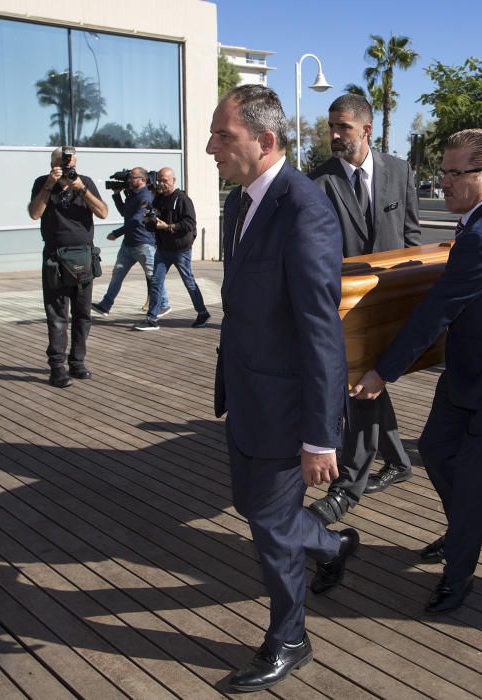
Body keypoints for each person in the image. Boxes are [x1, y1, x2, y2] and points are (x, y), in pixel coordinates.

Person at [351, 128, 482, 613]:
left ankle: (459, 575)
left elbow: (436, 310)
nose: (442, 182)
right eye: (442, 171)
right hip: (471, 367)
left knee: (476, 481)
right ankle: (466, 526)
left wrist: (382, 372)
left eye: (453, 173)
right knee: (437, 452)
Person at [207, 84, 355, 693]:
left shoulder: (305, 209)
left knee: (269, 525)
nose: (211, 146)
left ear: (265, 142)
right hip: (245, 394)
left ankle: (290, 637)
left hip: (284, 407)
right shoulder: (241, 203)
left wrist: (320, 436)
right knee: (255, 509)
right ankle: (333, 542)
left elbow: (322, 332)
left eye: (224, 136)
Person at [307, 93, 420, 524]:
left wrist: (414, 298)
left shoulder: (400, 171)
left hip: (391, 302)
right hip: (345, 309)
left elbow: (411, 238)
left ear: (366, 130)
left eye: (343, 128)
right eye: (331, 127)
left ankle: (395, 464)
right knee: (361, 387)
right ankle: (349, 487)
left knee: (368, 385)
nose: (334, 135)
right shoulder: (317, 180)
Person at [27, 146, 108, 388]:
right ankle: (57, 367)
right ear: (52, 163)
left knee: (83, 314)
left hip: (83, 257)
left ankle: (78, 361)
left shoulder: (85, 182)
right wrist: (50, 185)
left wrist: (81, 188)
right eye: (62, 164)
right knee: (57, 315)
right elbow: (34, 213)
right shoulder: (43, 183)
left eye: (71, 164)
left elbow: (103, 212)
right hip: (55, 258)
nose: (67, 168)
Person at [134, 167, 210, 331]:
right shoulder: (158, 199)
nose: (161, 183)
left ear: (173, 181)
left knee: (188, 282)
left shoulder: (182, 199)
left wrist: (168, 226)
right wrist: (148, 221)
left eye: (165, 180)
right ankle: (152, 318)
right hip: (163, 249)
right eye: (159, 180)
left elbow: (190, 224)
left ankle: (202, 313)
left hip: (181, 250)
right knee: (155, 282)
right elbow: (154, 223)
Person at [91, 167, 170, 317]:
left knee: (153, 276)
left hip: (144, 244)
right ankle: (105, 305)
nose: (128, 180)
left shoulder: (146, 196)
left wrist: (116, 233)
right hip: (128, 244)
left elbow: (136, 220)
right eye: (129, 178)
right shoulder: (132, 194)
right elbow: (124, 213)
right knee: (117, 274)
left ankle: (164, 304)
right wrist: (116, 195)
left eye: (132, 177)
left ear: (142, 180)